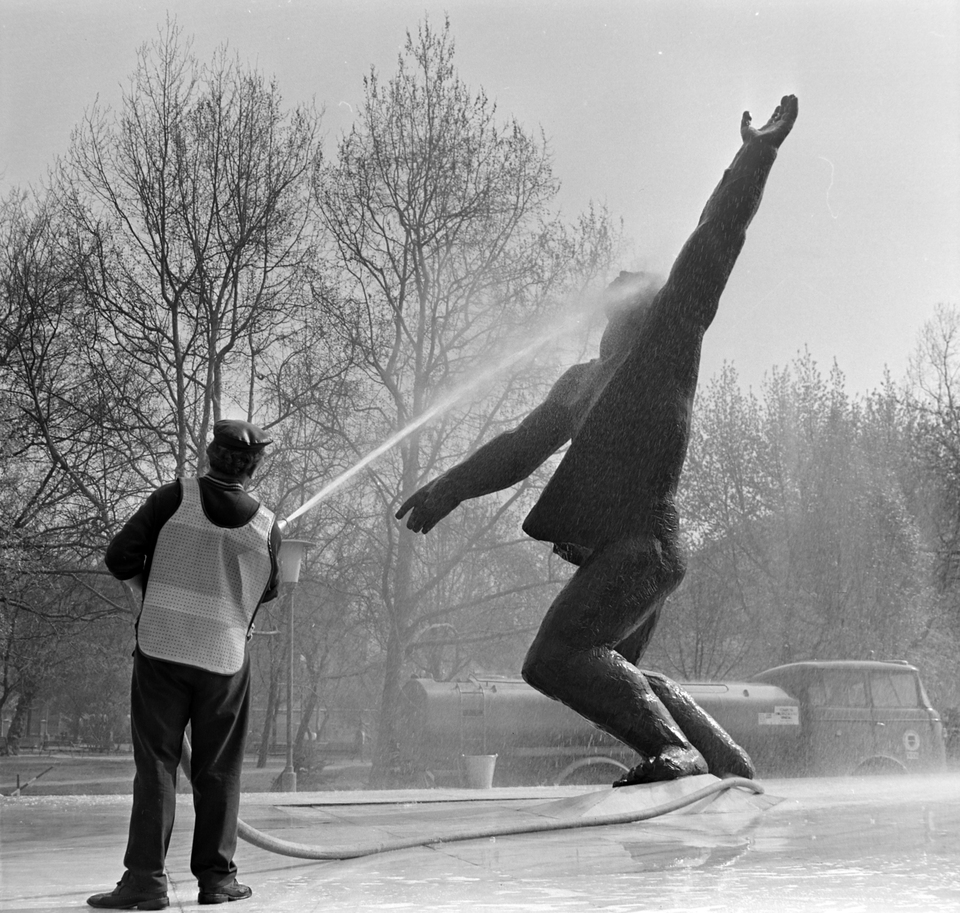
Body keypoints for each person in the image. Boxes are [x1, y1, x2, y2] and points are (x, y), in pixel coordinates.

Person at [397, 95, 799, 786]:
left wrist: (753, 154)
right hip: (633, 550)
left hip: (646, 543)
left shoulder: (667, 340)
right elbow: (518, 447)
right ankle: (726, 760)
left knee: (553, 656)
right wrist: (448, 488)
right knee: (618, 667)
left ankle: (675, 753)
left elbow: (715, 240)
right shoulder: (583, 382)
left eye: (624, 294)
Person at [89, 420, 282, 909]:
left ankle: (144, 883)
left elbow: (119, 556)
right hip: (224, 659)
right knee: (219, 770)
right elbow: (272, 589)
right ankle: (217, 882)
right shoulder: (266, 525)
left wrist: (145, 591)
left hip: (163, 649)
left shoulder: (173, 499)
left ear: (210, 453)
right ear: (254, 466)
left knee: (156, 764)